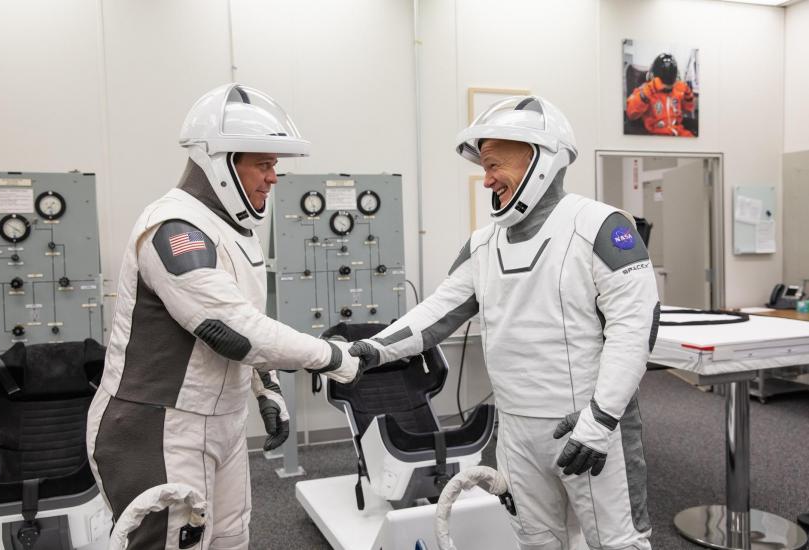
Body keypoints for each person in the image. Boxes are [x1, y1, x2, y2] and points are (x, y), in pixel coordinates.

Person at [350, 96, 659, 549]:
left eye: (494, 164)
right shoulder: (483, 245)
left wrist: (600, 420)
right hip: (517, 431)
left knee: (618, 543)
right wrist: (371, 349)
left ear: (540, 157)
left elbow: (636, 327)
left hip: (592, 426)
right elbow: (435, 313)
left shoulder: (599, 227)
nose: (486, 179)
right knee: (535, 540)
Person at [86, 83, 359, 550]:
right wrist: (334, 357)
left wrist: (265, 387)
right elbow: (231, 331)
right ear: (221, 162)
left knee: (230, 537)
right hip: (160, 425)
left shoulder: (235, 230)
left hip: (221, 421)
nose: (274, 178)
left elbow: (244, 318)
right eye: (264, 163)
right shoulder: (174, 227)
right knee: (172, 542)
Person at [626, 53, 696, 137]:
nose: (667, 87)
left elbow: (688, 110)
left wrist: (688, 96)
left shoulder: (677, 90)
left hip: (678, 131)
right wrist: (647, 92)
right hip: (656, 134)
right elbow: (631, 114)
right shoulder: (645, 89)